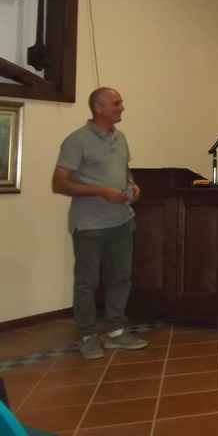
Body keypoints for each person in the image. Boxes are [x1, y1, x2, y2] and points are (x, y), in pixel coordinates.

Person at [52, 87, 148, 360]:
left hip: (122, 222)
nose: (122, 107)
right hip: (90, 225)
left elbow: (124, 171)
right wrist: (100, 191)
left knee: (121, 278)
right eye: (116, 103)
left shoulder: (120, 138)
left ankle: (116, 333)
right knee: (87, 282)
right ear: (99, 108)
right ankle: (87, 336)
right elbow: (59, 183)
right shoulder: (77, 141)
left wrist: (132, 185)